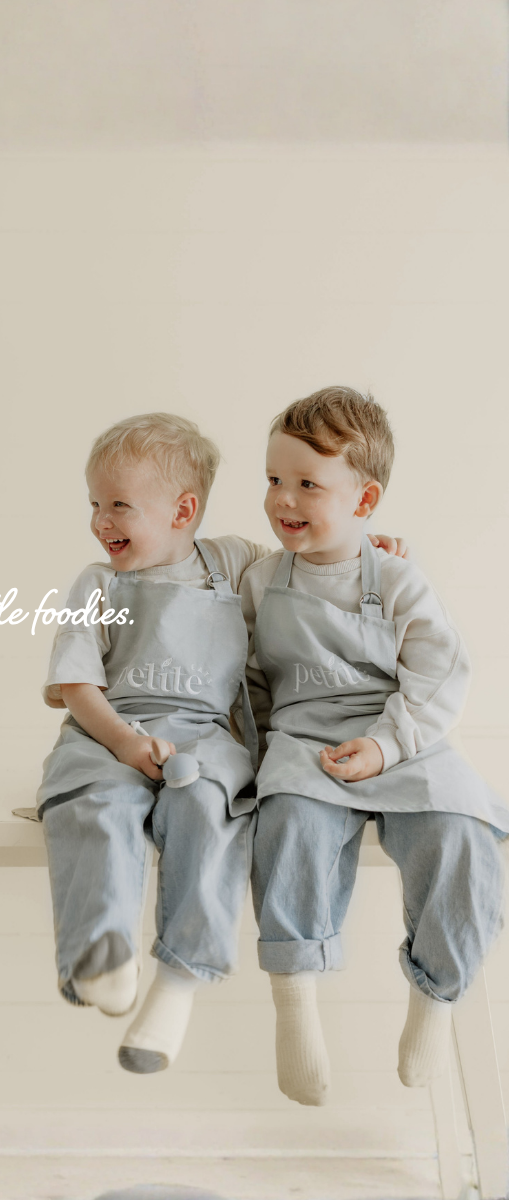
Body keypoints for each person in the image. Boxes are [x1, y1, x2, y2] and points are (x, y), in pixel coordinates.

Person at [34, 411, 404, 1074]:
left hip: (203, 737)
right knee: (95, 808)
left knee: (209, 811)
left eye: (118, 505)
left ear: (183, 510)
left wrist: (367, 550)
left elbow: (316, 559)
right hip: (107, 729)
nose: (100, 521)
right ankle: (100, 952)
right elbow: (77, 684)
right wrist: (123, 744)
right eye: (94, 504)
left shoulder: (234, 562)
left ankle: (178, 985)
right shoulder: (97, 584)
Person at [240, 386, 509, 1107]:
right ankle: (295, 1002)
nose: (283, 498)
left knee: (461, 831)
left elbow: (438, 673)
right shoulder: (260, 580)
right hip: (304, 738)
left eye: (307, 484)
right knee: (288, 825)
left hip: (402, 734)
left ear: (365, 501)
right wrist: (255, 758)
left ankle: (436, 996)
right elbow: (249, 681)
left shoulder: (396, 577)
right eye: (273, 478)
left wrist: (385, 747)